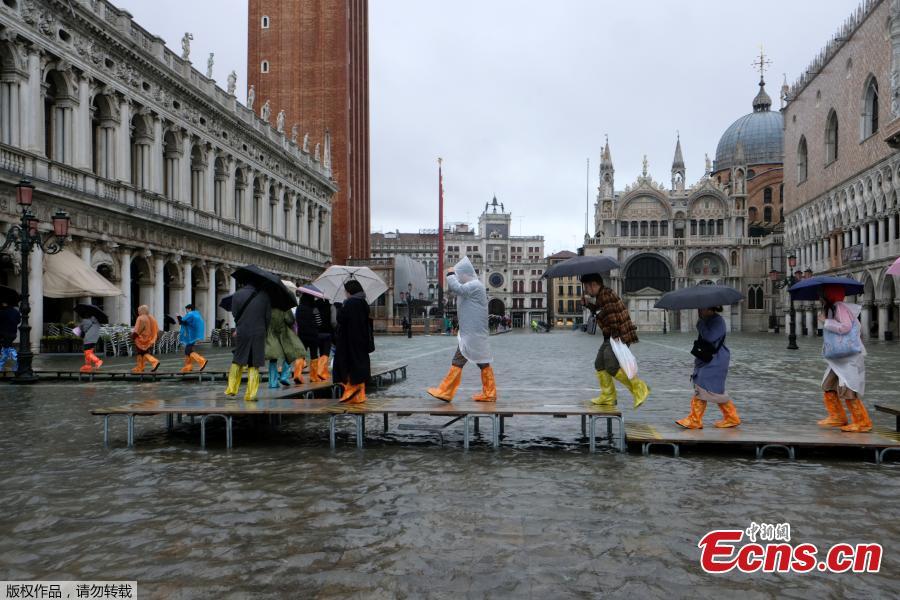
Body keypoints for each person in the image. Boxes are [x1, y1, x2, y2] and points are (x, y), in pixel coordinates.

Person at [427, 257, 496, 402]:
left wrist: (450, 274)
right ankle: (490, 393)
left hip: (472, 334)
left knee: (458, 360)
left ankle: (445, 391)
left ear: (465, 274)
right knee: (482, 362)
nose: (458, 277)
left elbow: (457, 288)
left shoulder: (474, 285)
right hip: (474, 334)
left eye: (459, 275)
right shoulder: (474, 286)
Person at [581, 273, 649, 408]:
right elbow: (602, 312)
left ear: (593, 285)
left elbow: (612, 314)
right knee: (599, 364)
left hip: (617, 335)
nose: (586, 291)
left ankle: (639, 388)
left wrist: (616, 334)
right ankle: (608, 396)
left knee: (611, 366)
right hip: (611, 335)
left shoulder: (605, 295)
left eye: (587, 287)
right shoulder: (602, 296)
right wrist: (588, 305)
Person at [817, 284, 871, 432]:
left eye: (822, 294)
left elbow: (845, 327)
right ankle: (837, 417)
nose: (819, 297)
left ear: (829, 295)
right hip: (838, 358)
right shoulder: (833, 308)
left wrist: (826, 321)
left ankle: (862, 422)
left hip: (848, 357)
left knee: (848, 388)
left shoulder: (840, 307)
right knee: (828, 385)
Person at [675, 306, 740, 429]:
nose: (699, 311)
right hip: (709, 358)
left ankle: (695, 420)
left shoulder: (717, 321)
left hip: (716, 359)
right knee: (714, 389)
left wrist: (700, 324)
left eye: (701, 308)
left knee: (703, 385)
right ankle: (731, 417)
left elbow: (710, 337)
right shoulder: (708, 320)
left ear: (710, 308)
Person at [225, 280, 271, 401]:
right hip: (258, 332)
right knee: (253, 363)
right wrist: (264, 329)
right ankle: (251, 394)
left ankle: (231, 388)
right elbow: (267, 317)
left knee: (238, 359)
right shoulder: (264, 296)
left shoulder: (237, 294)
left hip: (242, 331)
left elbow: (234, 313)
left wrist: (241, 324)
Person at [333, 279, 370, 403]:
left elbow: (341, 319)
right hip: (361, 339)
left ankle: (350, 390)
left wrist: (340, 307)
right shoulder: (363, 303)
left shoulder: (349, 303)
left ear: (349, 291)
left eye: (345, 291)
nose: (345, 293)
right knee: (359, 364)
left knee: (347, 364)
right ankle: (360, 396)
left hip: (349, 340)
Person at [265, 307, 308, 388]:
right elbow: (290, 320)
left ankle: (273, 382)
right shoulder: (284, 307)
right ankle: (284, 376)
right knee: (290, 354)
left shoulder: (267, 307)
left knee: (273, 358)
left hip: (271, 334)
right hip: (283, 334)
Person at [294, 292, 320, 383]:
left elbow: (296, 320)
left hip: (302, 335)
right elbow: (319, 322)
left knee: (301, 355)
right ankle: (313, 377)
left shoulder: (299, 308)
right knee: (314, 356)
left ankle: (297, 374)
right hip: (313, 335)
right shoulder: (314, 309)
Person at [177, 304, 207, 373]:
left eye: (186, 309)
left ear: (189, 309)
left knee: (188, 351)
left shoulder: (190, 314)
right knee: (187, 351)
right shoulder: (196, 314)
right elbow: (186, 323)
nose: (186, 311)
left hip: (191, 336)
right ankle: (188, 367)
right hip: (194, 335)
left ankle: (202, 361)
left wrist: (178, 316)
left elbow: (182, 322)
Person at [131, 305, 160, 373]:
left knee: (143, 353)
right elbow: (156, 328)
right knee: (140, 353)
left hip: (141, 339)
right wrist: (156, 336)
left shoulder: (140, 318)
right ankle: (140, 367)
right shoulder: (152, 318)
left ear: (142, 311)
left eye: (139, 311)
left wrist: (133, 336)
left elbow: (138, 329)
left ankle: (155, 362)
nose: (138, 312)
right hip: (150, 339)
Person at [0, 301, 20, 372]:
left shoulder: (3, 311)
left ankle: (16, 365)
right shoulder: (16, 312)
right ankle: (2, 366)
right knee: (6, 349)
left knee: (8, 349)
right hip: (13, 333)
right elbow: (18, 321)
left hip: (3, 333)